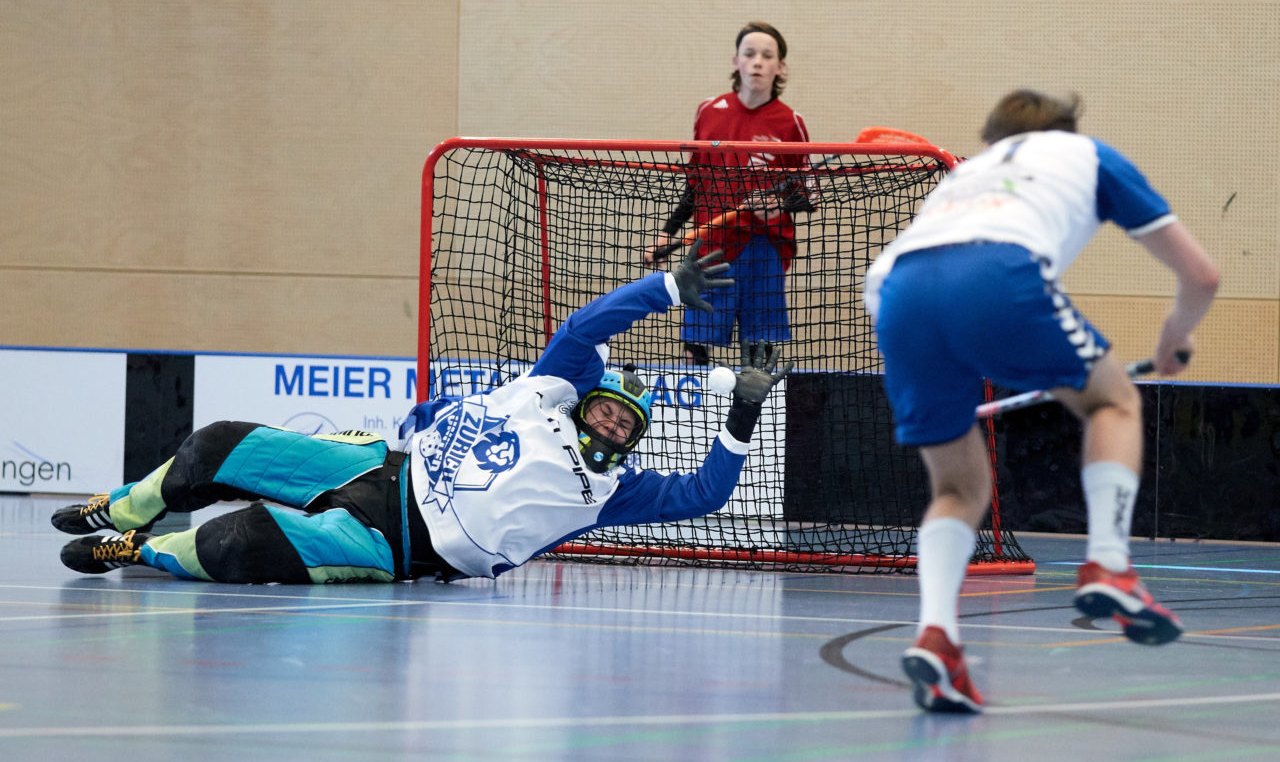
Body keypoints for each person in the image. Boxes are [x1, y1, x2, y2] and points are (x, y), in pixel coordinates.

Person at [53, 243, 794, 584]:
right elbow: (583, 330)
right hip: (381, 464)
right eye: (609, 411)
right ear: (592, 399)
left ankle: (140, 553)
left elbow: (705, 493)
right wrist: (664, 287)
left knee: (237, 541)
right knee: (216, 443)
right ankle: (120, 509)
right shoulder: (551, 389)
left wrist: (742, 415)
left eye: (625, 428)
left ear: (630, 441)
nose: (611, 425)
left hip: (399, 540)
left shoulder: (610, 491)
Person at [862, 89, 1220, 714]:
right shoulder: (1089, 155)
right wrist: (1173, 342)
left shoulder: (971, 173)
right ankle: (1109, 564)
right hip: (999, 273)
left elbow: (920, 293)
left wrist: (952, 356)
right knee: (1112, 403)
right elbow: (1202, 276)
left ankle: (937, 635)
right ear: (1068, 127)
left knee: (957, 488)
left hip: (897, 294)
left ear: (992, 139)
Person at [643, 21, 812, 365]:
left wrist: (778, 203)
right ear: (736, 60)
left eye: (767, 56)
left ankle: (755, 414)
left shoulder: (790, 122)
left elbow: (809, 197)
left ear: (780, 67)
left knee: (760, 349)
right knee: (695, 345)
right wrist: (668, 232)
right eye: (749, 54)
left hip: (763, 249)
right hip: (710, 247)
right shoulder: (709, 111)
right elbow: (695, 182)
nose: (757, 62)